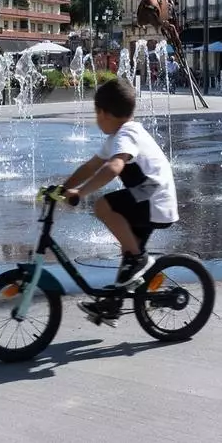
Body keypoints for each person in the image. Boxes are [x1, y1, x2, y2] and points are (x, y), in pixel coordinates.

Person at [57, 78, 179, 322]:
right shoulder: (118, 136)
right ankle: (113, 306)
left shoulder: (126, 134)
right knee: (128, 253)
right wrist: (63, 187)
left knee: (103, 206)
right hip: (151, 197)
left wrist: (80, 194)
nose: (96, 119)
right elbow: (90, 166)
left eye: (96, 114)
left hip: (154, 199)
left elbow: (113, 167)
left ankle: (139, 259)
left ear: (103, 113)